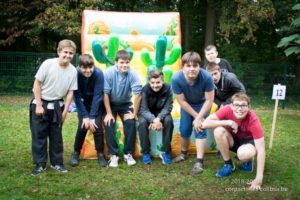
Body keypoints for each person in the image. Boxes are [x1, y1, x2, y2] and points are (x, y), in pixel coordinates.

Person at [29, 39, 78, 176]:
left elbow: (70, 92)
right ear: (59, 51)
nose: (68, 56)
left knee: (56, 137)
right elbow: (37, 85)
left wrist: (65, 111)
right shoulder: (48, 64)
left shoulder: (73, 71)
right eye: (65, 52)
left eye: (71, 53)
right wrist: (38, 105)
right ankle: (40, 164)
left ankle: (57, 163)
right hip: (41, 104)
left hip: (58, 106)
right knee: (39, 135)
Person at [202, 92, 265, 191]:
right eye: (236, 105)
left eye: (243, 105)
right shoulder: (226, 109)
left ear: (249, 107)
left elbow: (261, 149)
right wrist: (229, 122)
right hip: (233, 140)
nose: (239, 109)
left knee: (243, 154)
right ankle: (228, 164)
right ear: (231, 106)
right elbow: (205, 123)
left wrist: (259, 178)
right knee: (218, 131)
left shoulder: (253, 120)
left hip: (248, 143)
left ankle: (247, 161)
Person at [171, 51, 214, 175]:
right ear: (182, 66)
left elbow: (209, 100)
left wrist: (199, 118)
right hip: (187, 105)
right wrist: (195, 116)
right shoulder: (176, 78)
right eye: (188, 66)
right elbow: (182, 102)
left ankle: (199, 161)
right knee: (184, 129)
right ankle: (184, 153)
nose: (192, 69)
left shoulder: (207, 77)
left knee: (200, 129)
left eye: (195, 66)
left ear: (199, 66)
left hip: (202, 105)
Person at [103, 50, 142, 167]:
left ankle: (128, 154)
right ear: (116, 63)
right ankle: (113, 155)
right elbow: (105, 94)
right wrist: (109, 113)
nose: (125, 65)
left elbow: (138, 94)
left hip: (125, 103)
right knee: (109, 122)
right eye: (121, 62)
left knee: (130, 122)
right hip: (111, 103)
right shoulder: (109, 73)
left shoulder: (133, 73)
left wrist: (134, 113)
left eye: (127, 62)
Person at [69, 54, 107, 168]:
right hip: (82, 103)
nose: (88, 70)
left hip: (96, 104)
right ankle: (76, 152)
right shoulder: (75, 74)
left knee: (96, 126)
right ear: (80, 66)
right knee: (83, 126)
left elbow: (97, 96)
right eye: (84, 68)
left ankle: (100, 154)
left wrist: (92, 116)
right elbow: (76, 96)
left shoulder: (99, 74)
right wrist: (85, 116)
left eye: (90, 67)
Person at [138, 70, 174, 165]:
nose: (155, 85)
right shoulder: (145, 89)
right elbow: (143, 109)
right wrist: (153, 119)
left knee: (168, 121)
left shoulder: (168, 88)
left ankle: (166, 152)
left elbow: (168, 107)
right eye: (152, 83)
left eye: (158, 82)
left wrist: (158, 118)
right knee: (141, 123)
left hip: (161, 113)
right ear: (149, 82)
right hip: (147, 113)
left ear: (163, 80)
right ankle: (145, 152)